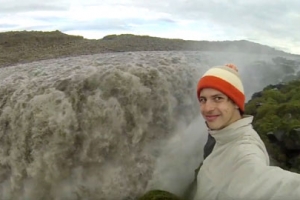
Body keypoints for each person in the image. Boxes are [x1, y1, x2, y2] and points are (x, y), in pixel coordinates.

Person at [193, 64, 300, 200]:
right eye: (203, 99)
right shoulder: (222, 132)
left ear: (236, 103)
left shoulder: (245, 150)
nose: (207, 108)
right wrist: (227, 73)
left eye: (218, 98)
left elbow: (272, 185)